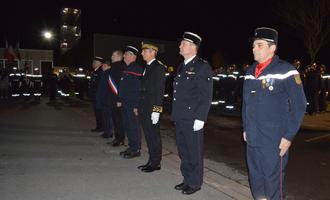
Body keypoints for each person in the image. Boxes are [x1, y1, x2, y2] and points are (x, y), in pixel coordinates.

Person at [242, 27, 307, 200]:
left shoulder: (286, 70)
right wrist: (245, 128)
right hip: (253, 136)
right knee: (255, 178)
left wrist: (289, 136)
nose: (254, 48)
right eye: (254, 45)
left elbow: (299, 105)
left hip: (274, 139)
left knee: (272, 181)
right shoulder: (249, 73)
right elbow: (246, 104)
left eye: (259, 45)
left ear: (272, 48)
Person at [171, 32, 213, 195]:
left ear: (193, 47)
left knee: (193, 151)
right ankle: (187, 179)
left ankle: (195, 182)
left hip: (193, 117)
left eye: (183, 43)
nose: (180, 46)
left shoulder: (202, 66)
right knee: (183, 150)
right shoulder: (182, 66)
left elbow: (206, 95)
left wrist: (201, 118)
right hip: (181, 116)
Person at [138, 41, 166, 172]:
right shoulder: (147, 66)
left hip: (152, 108)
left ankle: (156, 163)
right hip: (145, 107)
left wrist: (157, 110)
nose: (142, 53)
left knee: (153, 136)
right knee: (148, 135)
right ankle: (151, 160)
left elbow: (159, 91)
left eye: (144, 51)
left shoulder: (158, 67)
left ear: (152, 52)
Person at [118, 46, 144, 158]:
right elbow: (124, 87)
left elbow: (139, 89)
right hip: (125, 102)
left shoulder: (137, 69)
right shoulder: (126, 69)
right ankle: (131, 146)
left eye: (127, 54)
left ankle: (136, 149)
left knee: (133, 126)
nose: (124, 55)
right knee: (127, 125)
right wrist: (120, 99)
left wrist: (136, 105)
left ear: (133, 56)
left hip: (132, 103)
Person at [107, 50, 126, 147]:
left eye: (113, 55)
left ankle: (120, 139)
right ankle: (117, 138)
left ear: (119, 56)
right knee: (115, 119)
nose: (111, 57)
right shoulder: (113, 67)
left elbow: (121, 85)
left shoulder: (120, 68)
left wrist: (119, 99)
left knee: (119, 120)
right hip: (112, 98)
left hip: (117, 99)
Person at [90, 56, 104, 132]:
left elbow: (100, 85)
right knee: (97, 112)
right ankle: (99, 126)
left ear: (99, 63)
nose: (93, 63)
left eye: (94, 62)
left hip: (98, 96)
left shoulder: (100, 72)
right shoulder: (95, 71)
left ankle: (101, 127)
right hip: (95, 95)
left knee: (99, 112)